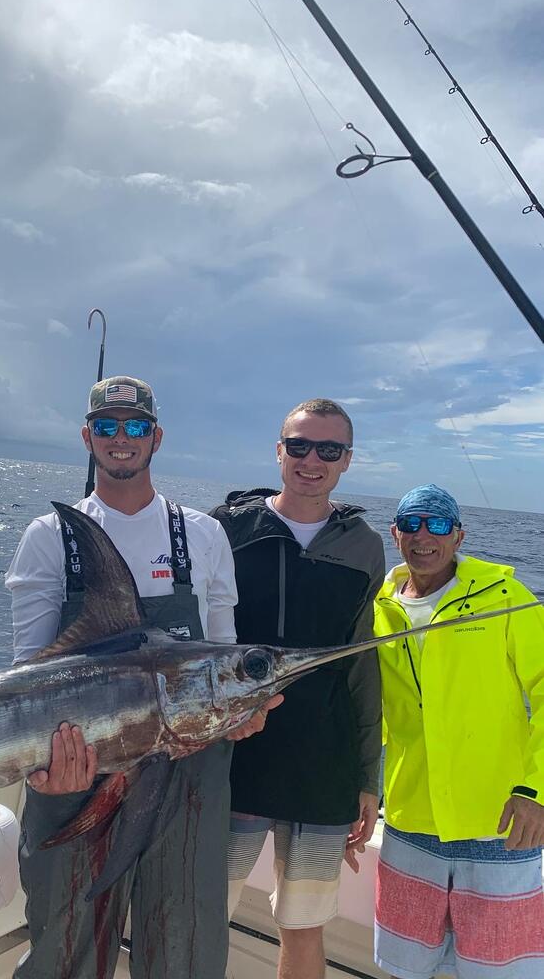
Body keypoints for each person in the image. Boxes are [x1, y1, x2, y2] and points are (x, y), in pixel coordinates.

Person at [5, 375, 280, 979]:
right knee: (65, 945)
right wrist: (47, 772)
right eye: (107, 427)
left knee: (183, 945)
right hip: (77, 771)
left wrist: (242, 709)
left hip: (188, 772)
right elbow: (28, 678)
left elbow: (224, 656)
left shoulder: (201, 535)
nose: (121, 439)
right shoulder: (50, 537)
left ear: (156, 437)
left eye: (134, 428)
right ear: (87, 436)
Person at [210, 398, 385, 979]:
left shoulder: (364, 545)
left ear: (346, 461)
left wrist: (367, 777)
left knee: (305, 925)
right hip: (234, 757)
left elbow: (364, 666)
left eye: (329, 450)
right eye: (301, 445)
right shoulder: (224, 528)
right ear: (279, 451)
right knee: (203, 907)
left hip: (324, 766)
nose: (313, 460)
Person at [372, 483, 544, 979]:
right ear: (395, 532)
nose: (424, 536)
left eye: (439, 524)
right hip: (408, 821)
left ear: (459, 534)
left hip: (498, 824)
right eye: (412, 523)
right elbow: (375, 712)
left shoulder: (505, 596)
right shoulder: (380, 606)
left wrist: (535, 789)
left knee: (500, 970)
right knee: (406, 968)